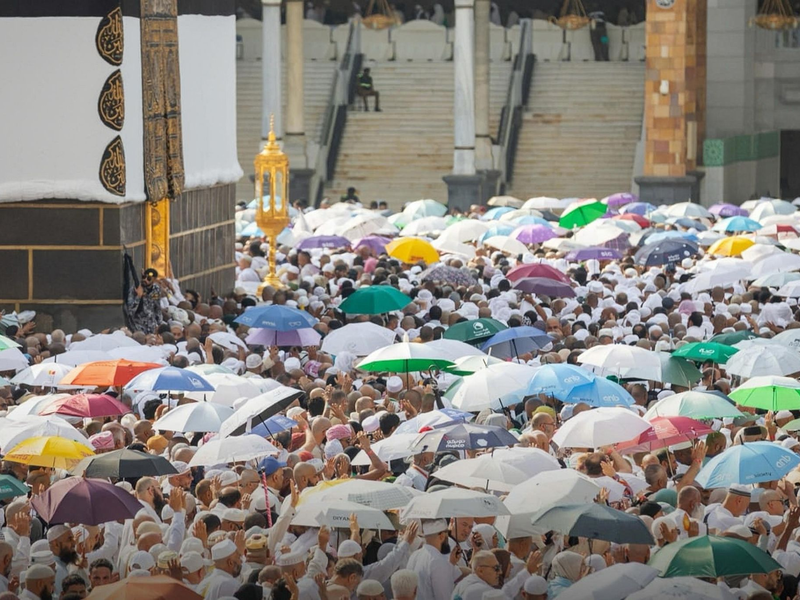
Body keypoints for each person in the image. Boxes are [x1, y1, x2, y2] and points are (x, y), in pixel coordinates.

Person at [125, 268, 163, 334]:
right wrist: (138, 296)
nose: (145, 280)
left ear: (154, 280)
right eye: (144, 277)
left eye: (149, 278)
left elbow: (157, 307)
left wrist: (159, 322)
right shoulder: (135, 289)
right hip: (137, 325)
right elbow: (130, 310)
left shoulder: (156, 289)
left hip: (152, 325)